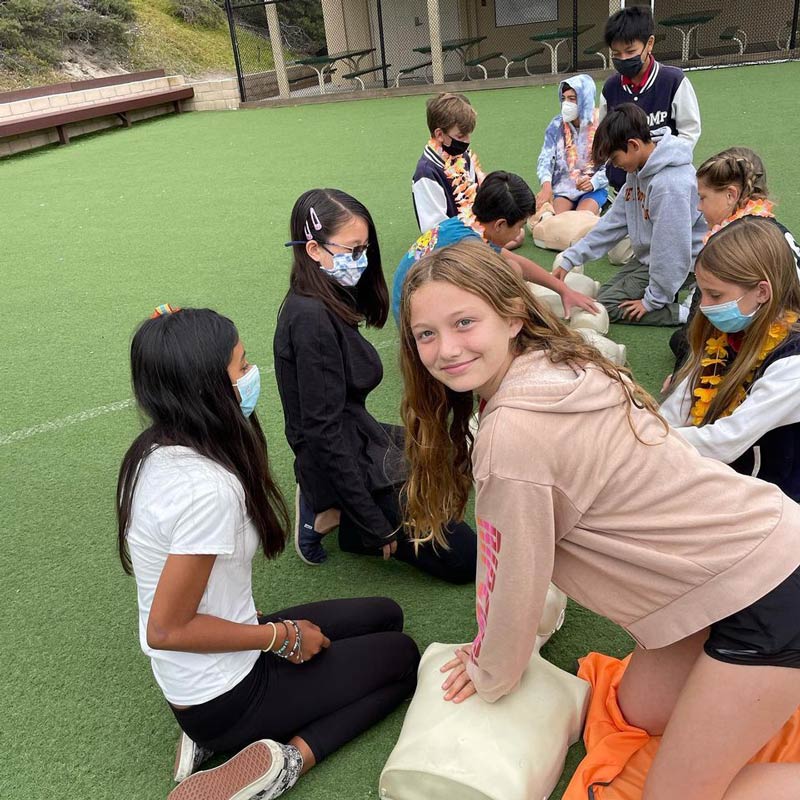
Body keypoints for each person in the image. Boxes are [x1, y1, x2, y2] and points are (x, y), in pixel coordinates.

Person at [398, 239, 800, 800]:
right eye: (426, 334)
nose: (446, 349)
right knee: (639, 711)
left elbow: (513, 578)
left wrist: (490, 669)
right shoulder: (563, 359)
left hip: (774, 590)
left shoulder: (512, 436)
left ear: (513, 317)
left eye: (464, 322)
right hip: (742, 559)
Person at [117, 305, 420, 800]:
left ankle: (218, 735)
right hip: (226, 695)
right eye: (241, 365)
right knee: (404, 660)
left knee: (387, 615)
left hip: (210, 665)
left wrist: (267, 631)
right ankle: (285, 761)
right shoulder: (206, 490)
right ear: (206, 388)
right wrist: (280, 636)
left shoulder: (152, 451)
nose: (251, 372)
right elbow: (166, 629)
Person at [276, 188, 477, 581]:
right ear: (314, 250)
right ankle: (326, 511)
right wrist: (371, 521)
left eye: (365, 248)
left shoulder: (326, 293)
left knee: (439, 457)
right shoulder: (311, 319)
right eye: (353, 250)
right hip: (337, 452)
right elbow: (322, 431)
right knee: (465, 558)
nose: (363, 260)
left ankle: (342, 506)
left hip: (356, 435)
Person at [661, 218, 800, 501]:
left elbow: (726, 441)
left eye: (715, 295)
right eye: (702, 292)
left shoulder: (792, 361)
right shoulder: (730, 330)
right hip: (726, 476)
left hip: (775, 498)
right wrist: (653, 426)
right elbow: (681, 402)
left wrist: (650, 440)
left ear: (762, 292)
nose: (703, 306)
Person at [552, 104, 706, 326]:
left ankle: (687, 312)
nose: (615, 166)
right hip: (651, 258)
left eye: (615, 158)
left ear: (633, 145)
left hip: (686, 262)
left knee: (605, 307)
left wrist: (652, 301)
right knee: (602, 296)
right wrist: (571, 258)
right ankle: (669, 294)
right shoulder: (638, 172)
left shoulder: (669, 185)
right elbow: (612, 223)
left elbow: (672, 250)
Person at [394, 170, 598, 323]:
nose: (519, 233)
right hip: (416, 320)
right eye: (519, 226)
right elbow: (512, 273)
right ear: (500, 224)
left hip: (412, 305)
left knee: (511, 268)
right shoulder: (470, 248)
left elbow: (519, 262)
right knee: (509, 278)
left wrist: (563, 290)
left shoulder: (470, 222)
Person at [668, 147, 800, 367]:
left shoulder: (731, 246)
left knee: (685, 340)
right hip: (782, 324)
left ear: (731, 195)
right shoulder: (767, 227)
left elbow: (698, 321)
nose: (699, 207)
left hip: (778, 337)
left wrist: (681, 376)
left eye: (703, 197)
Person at [600, 5, 701, 191]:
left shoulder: (673, 81)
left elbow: (689, 132)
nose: (623, 59)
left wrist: (662, 163)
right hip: (624, 188)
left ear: (650, 43)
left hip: (664, 185)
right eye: (616, 54)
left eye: (630, 51)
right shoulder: (610, 88)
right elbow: (605, 137)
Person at [411, 92, 525, 249]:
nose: (467, 141)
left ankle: (485, 249)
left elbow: (475, 200)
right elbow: (435, 229)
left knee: (516, 234)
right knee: (506, 241)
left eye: (468, 135)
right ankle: (483, 251)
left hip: (470, 228)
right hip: (447, 242)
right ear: (439, 134)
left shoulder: (462, 156)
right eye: (461, 136)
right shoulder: (426, 173)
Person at [536, 74, 608, 215]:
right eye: (563, 99)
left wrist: (594, 182)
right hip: (564, 188)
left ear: (585, 99)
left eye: (572, 99)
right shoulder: (556, 125)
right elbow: (545, 158)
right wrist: (546, 185)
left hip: (593, 187)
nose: (566, 104)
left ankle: (597, 207)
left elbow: (612, 163)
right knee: (556, 221)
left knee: (580, 220)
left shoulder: (602, 124)